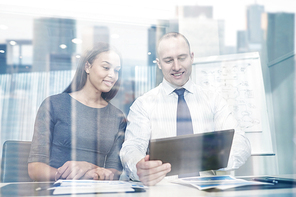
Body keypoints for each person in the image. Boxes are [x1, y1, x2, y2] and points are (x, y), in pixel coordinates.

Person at [120, 32, 251, 186]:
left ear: (191, 57)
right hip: (163, 191)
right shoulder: (143, 104)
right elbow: (131, 147)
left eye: (182, 58)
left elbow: (241, 143)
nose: (177, 67)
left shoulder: (213, 100)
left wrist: (212, 157)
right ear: (159, 63)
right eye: (168, 60)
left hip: (208, 191)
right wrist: (139, 166)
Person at [28, 42, 126, 181]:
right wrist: (70, 175)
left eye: (116, 70)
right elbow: (35, 168)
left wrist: (89, 168)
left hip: (96, 190)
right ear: (87, 66)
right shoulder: (54, 104)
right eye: (106, 67)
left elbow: (113, 171)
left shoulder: (117, 117)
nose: (112, 75)